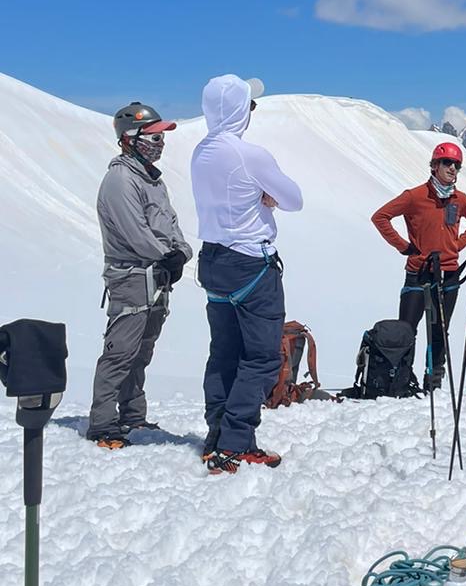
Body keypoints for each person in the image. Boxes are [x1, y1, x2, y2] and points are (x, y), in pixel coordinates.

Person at [190, 75, 303, 475]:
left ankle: (217, 436)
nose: (251, 113)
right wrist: (264, 197)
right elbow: (294, 199)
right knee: (259, 357)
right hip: (251, 264)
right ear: (240, 111)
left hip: (214, 262)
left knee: (223, 353)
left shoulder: (201, 152)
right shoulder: (249, 155)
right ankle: (235, 444)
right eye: (249, 106)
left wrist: (255, 196)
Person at [86, 102, 193, 449]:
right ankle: (103, 424)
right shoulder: (120, 179)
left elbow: (171, 225)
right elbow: (135, 232)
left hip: (157, 277)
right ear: (129, 138)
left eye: (160, 137)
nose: (159, 143)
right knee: (120, 352)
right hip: (131, 277)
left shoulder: (153, 180)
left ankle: (132, 415)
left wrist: (181, 253)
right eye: (152, 136)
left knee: (141, 352)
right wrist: (166, 256)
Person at [370, 141, 466, 391]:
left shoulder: (459, 199)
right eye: (447, 163)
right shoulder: (415, 196)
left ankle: (432, 383)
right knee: (406, 330)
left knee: (439, 332)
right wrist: (404, 246)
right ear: (434, 166)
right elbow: (380, 217)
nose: (453, 169)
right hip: (419, 273)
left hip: (449, 275)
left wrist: (457, 245)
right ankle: (399, 380)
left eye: (457, 165)